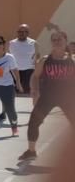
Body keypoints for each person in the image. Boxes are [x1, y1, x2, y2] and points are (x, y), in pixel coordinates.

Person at [18, 30, 75, 161]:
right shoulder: (45, 60)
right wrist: (34, 90)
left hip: (68, 98)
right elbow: (35, 77)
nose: (57, 42)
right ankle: (31, 151)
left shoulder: (72, 60)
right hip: (48, 97)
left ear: (65, 41)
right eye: (54, 40)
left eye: (59, 39)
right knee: (33, 122)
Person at [0, 24, 40, 122]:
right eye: (20, 31)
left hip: (29, 71)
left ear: (28, 33)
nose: (22, 33)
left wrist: (38, 72)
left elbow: (36, 58)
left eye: (25, 31)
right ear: (17, 32)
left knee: (35, 92)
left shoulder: (34, 43)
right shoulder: (11, 43)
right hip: (14, 71)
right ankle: (4, 113)